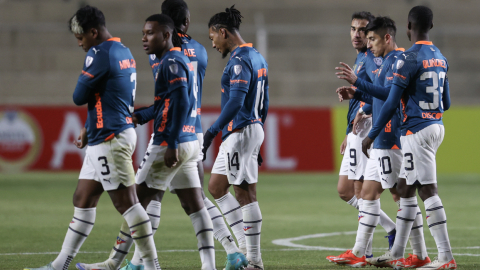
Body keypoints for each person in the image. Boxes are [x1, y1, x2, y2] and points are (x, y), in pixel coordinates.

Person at [75, 14, 217, 270]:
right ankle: (208, 265)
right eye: (143, 32)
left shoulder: (171, 62)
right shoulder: (178, 59)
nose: (144, 38)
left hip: (168, 142)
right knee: (195, 205)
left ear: (166, 35)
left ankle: (117, 263)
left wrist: (171, 142)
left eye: (150, 33)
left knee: (133, 203)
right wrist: (140, 116)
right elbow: (168, 103)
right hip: (189, 140)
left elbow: (183, 102)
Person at [24, 5, 161, 270]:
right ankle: (59, 265)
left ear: (94, 32)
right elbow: (107, 97)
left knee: (128, 205)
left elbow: (78, 96)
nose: (79, 44)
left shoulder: (99, 53)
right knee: (83, 198)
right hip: (106, 134)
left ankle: (152, 266)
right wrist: (88, 128)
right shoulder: (124, 51)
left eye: (81, 38)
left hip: (111, 138)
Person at [360, 6, 456, 270]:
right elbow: (446, 103)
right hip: (436, 125)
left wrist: (372, 134)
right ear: (431, 26)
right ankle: (398, 253)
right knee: (405, 189)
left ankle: (446, 257)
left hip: (416, 129)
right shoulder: (440, 57)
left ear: (408, 27)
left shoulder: (408, 58)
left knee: (427, 190)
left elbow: (391, 102)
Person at [333, 16, 431, 268]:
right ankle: (360, 251)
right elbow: (380, 94)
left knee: (402, 196)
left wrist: (358, 84)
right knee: (369, 194)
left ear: (387, 38)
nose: (369, 44)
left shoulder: (398, 60)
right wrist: (359, 93)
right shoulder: (388, 60)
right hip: (383, 138)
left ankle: (420, 254)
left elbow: (390, 96)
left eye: (373, 39)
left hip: (391, 135)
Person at [326, 11, 397, 264]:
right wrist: (348, 132)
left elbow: (383, 93)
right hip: (357, 129)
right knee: (346, 191)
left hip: (368, 127)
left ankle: (363, 251)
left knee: (360, 189)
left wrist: (364, 111)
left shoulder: (373, 59)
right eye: (353, 29)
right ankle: (390, 230)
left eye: (363, 30)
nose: (357, 35)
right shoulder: (361, 59)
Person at [202, 5, 268, 270]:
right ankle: (242, 247)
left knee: (245, 194)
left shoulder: (239, 61)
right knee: (217, 187)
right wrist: (259, 134)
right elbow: (265, 102)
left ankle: (254, 261)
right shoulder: (257, 57)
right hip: (247, 130)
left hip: (241, 130)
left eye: (213, 38)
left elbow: (236, 103)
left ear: (223, 32)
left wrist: (211, 131)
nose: (214, 44)